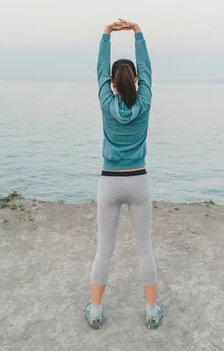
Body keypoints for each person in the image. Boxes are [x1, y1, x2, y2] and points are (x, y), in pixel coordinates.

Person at [85, 18, 163, 330]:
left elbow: (101, 71)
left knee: (104, 249)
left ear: (113, 83)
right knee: (144, 247)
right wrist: (138, 32)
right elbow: (147, 71)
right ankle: (151, 311)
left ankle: (95, 310)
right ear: (135, 80)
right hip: (139, 181)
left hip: (109, 181)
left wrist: (106, 35)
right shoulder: (144, 101)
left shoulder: (106, 102)